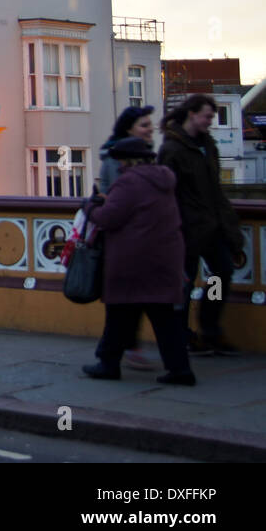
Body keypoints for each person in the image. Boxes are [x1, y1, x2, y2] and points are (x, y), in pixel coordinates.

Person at [82, 137, 195, 385]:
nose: (118, 165)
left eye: (120, 160)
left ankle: (108, 364)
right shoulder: (164, 178)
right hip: (165, 258)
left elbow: (109, 218)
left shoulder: (130, 181)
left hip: (134, 260)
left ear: (127, 160)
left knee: (120, 314)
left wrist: (90, 207)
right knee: (165, 319)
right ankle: (180, 369)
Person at [159, 93, 244, 355]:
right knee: (184, 285)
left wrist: (228, 226)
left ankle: (209, 328)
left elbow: (215, 190)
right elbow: (166, 193)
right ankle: (184, 336)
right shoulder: (172, 149)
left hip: (211, 227)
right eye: (207, 116)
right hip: (184, 230)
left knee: (221, 273)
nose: (210, 121)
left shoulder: (207, 146)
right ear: (192, 114)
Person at [95, 105, 158, 369]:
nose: (150, 129)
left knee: (133, 299)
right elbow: (110, 198)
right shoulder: (115, 158)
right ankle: (117, 352)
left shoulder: (146, 158)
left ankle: (113, 354)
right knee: (125, 300)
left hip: (143, 239)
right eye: (144, 125)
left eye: (150, 125)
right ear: (129, 129)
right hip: (125, 240)